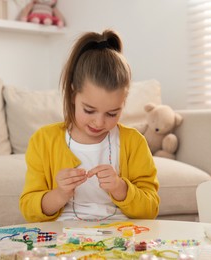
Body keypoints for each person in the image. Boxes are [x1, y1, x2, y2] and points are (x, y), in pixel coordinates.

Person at [19, 29, 160, 222]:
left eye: (112, 113)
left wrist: (120, 188)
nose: (99, 122)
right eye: (89, 110)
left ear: (124, 102)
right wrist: (59, 194)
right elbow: (29, 209)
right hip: (63, 237)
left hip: (121, 235)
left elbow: (150, 209)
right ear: (73, 93)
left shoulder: (134, 142)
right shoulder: (43, 140)